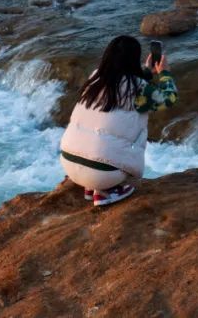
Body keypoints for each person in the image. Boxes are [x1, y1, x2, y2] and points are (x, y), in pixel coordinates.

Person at [59, 35, 178, 207]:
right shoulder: (139, 88)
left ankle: (91, 187)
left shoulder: (95, 78)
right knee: (115, 158)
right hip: (103, 174)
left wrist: (146, 72)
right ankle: (106, 191)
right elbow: (169, 98)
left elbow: (124, 85)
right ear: (133, 59)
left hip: (69, 164)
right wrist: (164, 73)